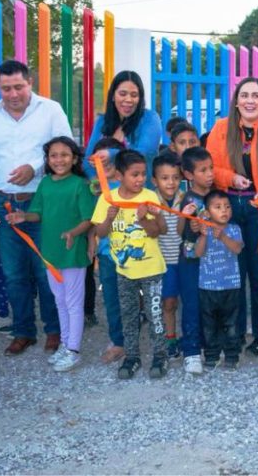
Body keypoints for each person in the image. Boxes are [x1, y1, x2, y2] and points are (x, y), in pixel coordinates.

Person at [0, 60, 71, 355]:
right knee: (14, 273)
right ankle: (23, 331)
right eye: (6, 89)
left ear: (30, 83)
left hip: (43, 202)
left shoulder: (51, 110)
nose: (13, 94)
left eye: (18, 87)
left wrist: (35, 168)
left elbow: (67, 149)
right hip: (4, 205)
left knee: (46, 270)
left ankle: (55, 330)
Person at [205, 77, 258, 355]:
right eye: (245, 95)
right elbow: (210, 167)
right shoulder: (221, 128)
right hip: (227, 207)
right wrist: (230, 178)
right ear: (236, 101)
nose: (250, 101)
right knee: (232, 272)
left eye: (256, 95)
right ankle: (234, 332)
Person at [5, 137, 96, 372]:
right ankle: (65, 344)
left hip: (72, 252)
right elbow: (38, 213)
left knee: (73, 303)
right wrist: (23, 216)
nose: (59, 160)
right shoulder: (45, 183)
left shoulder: (80, 185)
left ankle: (73, 350)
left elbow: (88, 219)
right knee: (60, 301)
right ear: (47, 159)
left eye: (65, 155)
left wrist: (73, 233)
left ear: (74, 159)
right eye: (53, 155)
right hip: (50, 253)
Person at [92, 149, 169, 379]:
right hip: (124, 271)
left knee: (154, 314)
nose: (140, 179)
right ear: (119, 176)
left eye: (143, 174)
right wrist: (109, 217)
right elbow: (100, 233)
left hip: (151, 269)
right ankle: (132, 356)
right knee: (128, 314)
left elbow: (159, 231)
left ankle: (160, 356)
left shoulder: (150, 196)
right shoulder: (107, 199)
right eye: (135, 174)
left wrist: (144, 217)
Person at [175, 146, 215, 374]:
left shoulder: (215, 196)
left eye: (211, 168)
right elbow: (180, 231)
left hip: (211, 259)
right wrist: (188, 219)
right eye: (203, 170)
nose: (210, 174)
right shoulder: (188, 199)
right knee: (191, 304)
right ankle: (191, 352)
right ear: (189, 174)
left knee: (209, 302)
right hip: (190, 261)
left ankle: (209, 345)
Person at [196, 190, 244, 370]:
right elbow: (198, 253)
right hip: (207, 286)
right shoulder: (204, 229)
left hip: (230, 285)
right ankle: (211, 355)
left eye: (227, 206)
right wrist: (203, 235)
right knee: (209, 324)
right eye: (218, 207)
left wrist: (223, 237)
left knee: (230, 323)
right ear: (207, 212)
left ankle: (232, 355)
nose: (224, 210)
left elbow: (237, 249)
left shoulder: (234, 229)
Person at [84, 71, 163, 180]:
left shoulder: (150, 118)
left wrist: (111, 154)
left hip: (140, 189)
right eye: (122, 94)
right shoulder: (102, 121)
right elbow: (88, 160)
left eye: (134, 95)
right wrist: (95, 181)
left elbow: (144, 153)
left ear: (140, 98)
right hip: (104, 189)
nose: (128, 99)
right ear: (113, 96)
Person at [88, 138, 126, 364]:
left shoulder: (133, 185)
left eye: (109, 160)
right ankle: (118, 340)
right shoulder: (94, 188)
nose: (106, 166)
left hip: (132, 252)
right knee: (111, 299)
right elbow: (92, 220)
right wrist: (91, 242)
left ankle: (132, 335)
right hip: (106, 253)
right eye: (100, 162)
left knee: (133, 298)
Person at [151, 152, 185, 360]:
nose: (171, 182)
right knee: (169, 302)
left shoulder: (186, 198)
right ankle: (170, 338)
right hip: (164, 263)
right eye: (164, 178)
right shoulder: (150, 201)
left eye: (175, 177)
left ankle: (190, 338)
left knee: (190, 301)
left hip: (186, 261)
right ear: (155, 180)